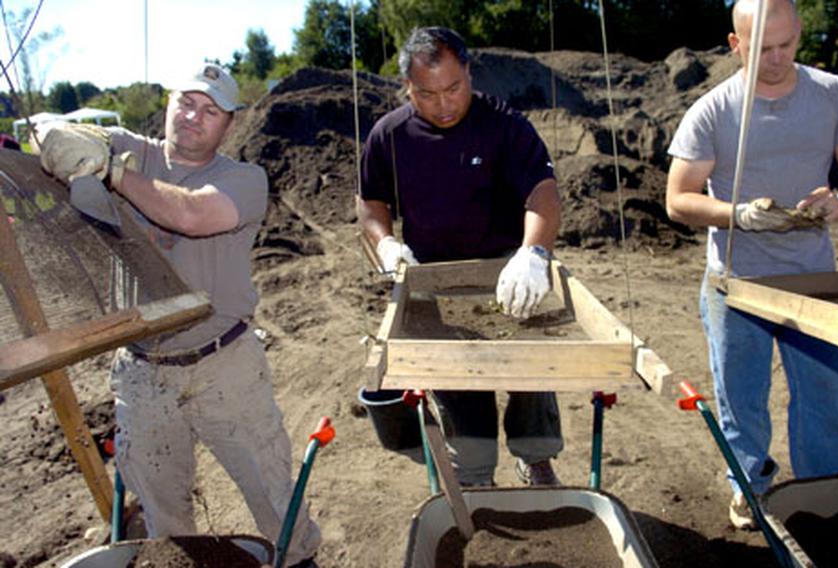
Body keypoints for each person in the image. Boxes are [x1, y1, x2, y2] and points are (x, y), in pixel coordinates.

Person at [36, 64, 321, 566]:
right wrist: (54, 137)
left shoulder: (243, 178)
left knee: (276, 499)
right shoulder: (130, 146)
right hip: (145, 371)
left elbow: (190, 214)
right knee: (164, 517)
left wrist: (113, 172)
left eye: (211, 110)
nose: (194, 116)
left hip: (225, 365)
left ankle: (300, 561)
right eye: (187, 102)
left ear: (229, 124)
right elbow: (49, 130)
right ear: (168, 102)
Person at [665, 0, 838, 530]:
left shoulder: (831, 95)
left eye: (787, 45)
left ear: (799, 34)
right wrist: (736, 215)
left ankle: (829, 492)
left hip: (814, 280)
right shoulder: (714, 110)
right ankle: (751, 487)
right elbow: (678, 199)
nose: (778, 58)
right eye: (763, 49)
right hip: (736, 281)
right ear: (736, 45)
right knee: (741, 402)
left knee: (825, 397)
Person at [357, 27, 564, 487]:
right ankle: (474, 470)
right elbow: (371, 203)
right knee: (458, 381)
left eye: (454, 88)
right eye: (427, 94)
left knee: (530, 373)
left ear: (469, 72)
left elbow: (543, 191)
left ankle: (535, 456)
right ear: (407, 87)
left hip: (508, 272)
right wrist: (386, 243)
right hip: (433, 278)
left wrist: (533, 253)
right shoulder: (388, 135)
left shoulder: (506, 126)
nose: (445, 104)